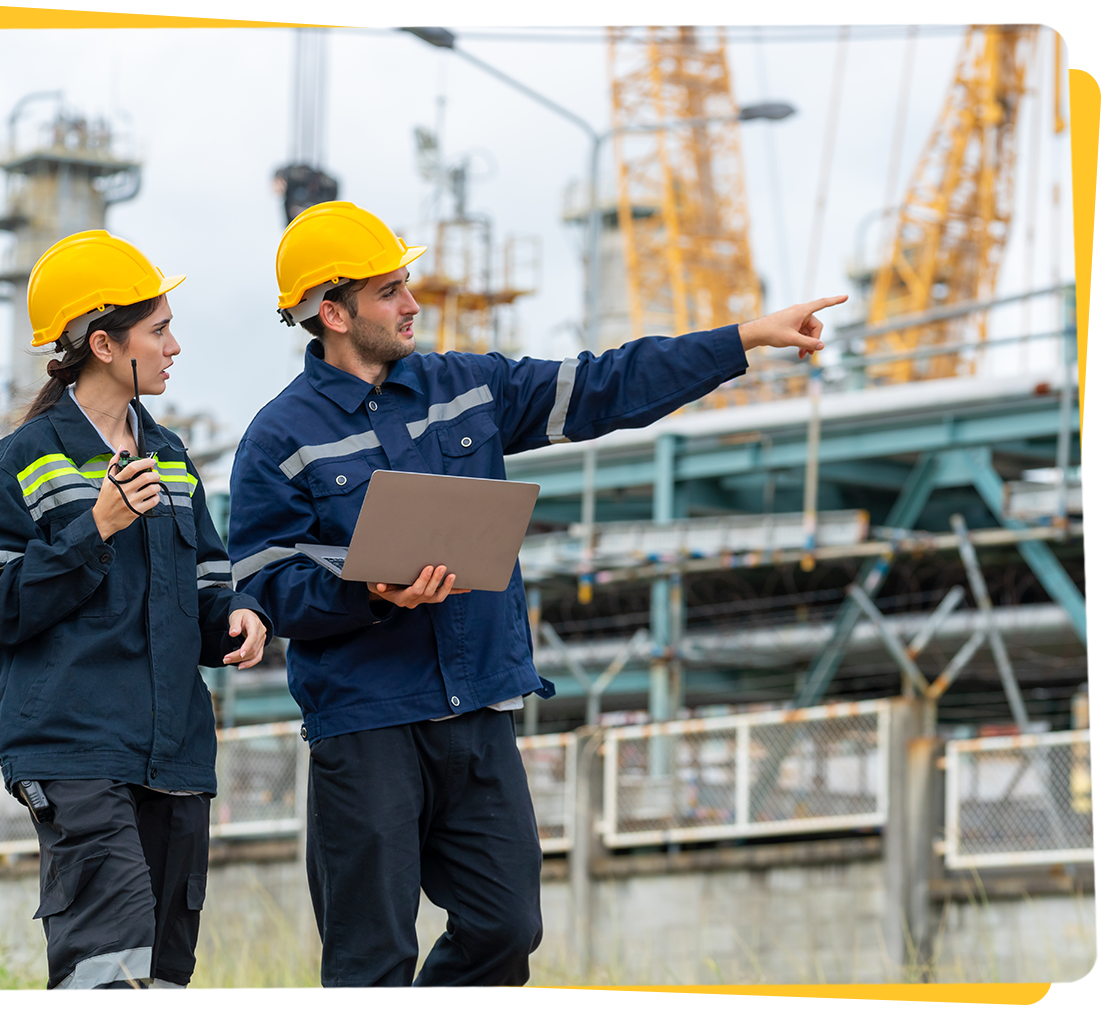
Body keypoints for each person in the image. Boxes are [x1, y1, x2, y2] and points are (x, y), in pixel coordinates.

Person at [227, 201, 844, 988]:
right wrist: (371, 592)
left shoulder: (468, 388)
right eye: (390, 291)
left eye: (407, 284)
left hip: (477, 708)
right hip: (367, 718)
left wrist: (741, 341)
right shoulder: (279, 437)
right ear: (331, 312)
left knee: (506, 927)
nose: (413, 304)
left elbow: (602, 386)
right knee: (368, 959)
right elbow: (266, 585)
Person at [0, 230, 270, 991]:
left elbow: (205, 579)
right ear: (104, 343)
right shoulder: (30, 458)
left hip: (171, 755)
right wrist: (92, 528)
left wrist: (235, 614)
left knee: (161, 975)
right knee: (109, 963)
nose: (175, 346)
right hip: (73, 750)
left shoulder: (170, 455)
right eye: (159, 330)